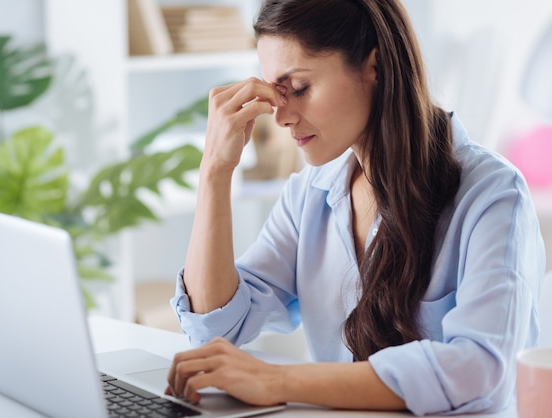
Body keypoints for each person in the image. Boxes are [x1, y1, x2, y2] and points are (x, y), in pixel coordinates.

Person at [165, 0, 546, 415]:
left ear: (375, 66)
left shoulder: (491, 195)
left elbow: (481, 372)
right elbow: (214, 328)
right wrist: (214, 172)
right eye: (276, 93)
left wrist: (276, 380)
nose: (282, 117)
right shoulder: (308, 196)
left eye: (299, 88)